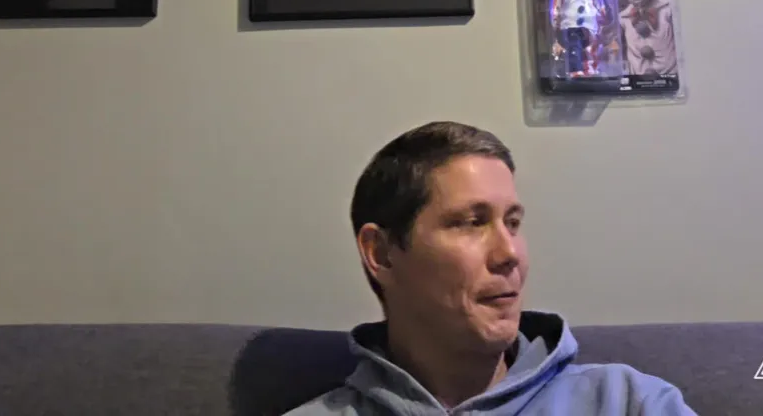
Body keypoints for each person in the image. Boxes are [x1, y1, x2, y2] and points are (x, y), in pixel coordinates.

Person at [283, 121, 697, 415]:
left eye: (512, 223)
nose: (509, 253)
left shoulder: (627, 402)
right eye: (471, 222)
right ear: (382, 254)